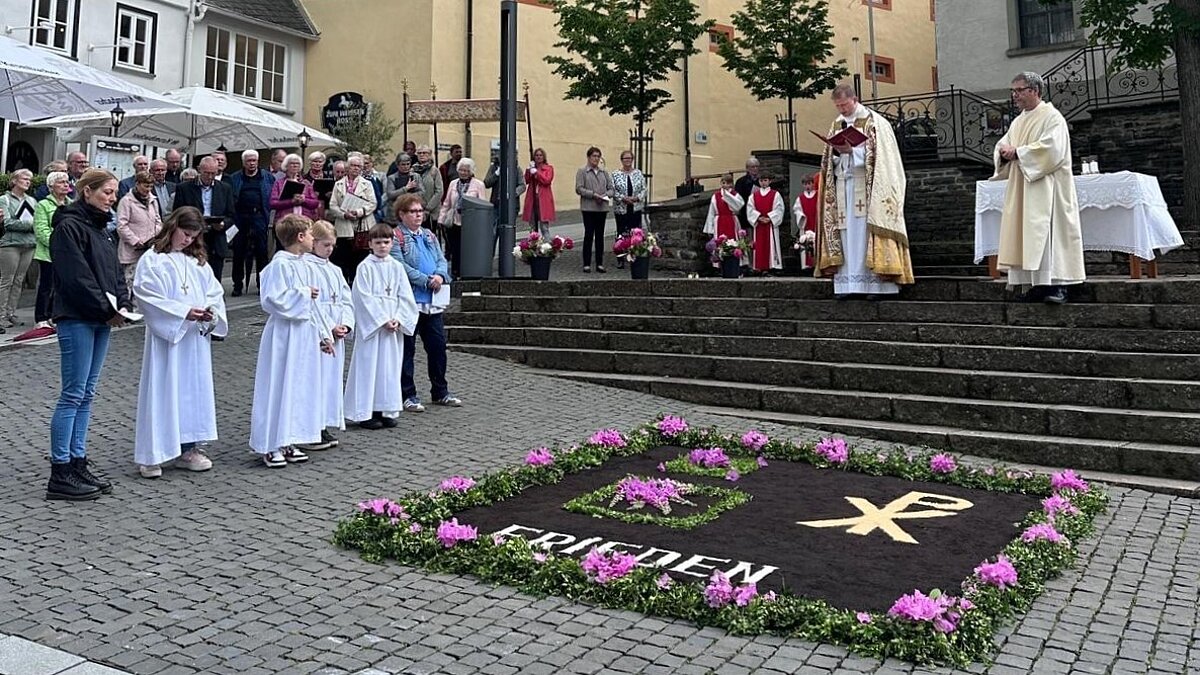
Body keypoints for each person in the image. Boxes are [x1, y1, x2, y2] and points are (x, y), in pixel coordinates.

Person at [46, 169, 129, 500]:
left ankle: (78, 460)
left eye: (113, 193)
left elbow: (114, 272)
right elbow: (75, 277)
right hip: (78, 317)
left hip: (100, 318)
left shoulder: (102, 229)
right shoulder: (69, 227)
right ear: (87, 192)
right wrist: (106, 309)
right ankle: (60, 469)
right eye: (107, 192)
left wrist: (122, 303)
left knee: (88, 393)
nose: (112, 198)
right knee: (72, 393)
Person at [131, 207, 227, 478]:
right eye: (185, 234)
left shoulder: (198, 262)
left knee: (192, 392)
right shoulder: (153, 259)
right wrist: (182, 312)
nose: (187, 240)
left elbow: (215, 292)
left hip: (194, 341)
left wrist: (210, 311)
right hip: (168, 339)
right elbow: (146, 294)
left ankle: (189, 448)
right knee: (163, 391)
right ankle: (153, 454)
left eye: (193, 236)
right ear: (172, 227)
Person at [993, 71, 1085, 304]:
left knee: (1051, 234)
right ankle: (1035, 284)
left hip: (1048, 189)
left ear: (1034, 91)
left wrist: (1019, 152)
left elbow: (1053, 150)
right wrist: (1003, 151)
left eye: (1019, 90)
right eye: (1013, 91)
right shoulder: (1018, 120)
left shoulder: (1052, 117)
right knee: (1029, 236)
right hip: (1024, 188)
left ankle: (1058, 285)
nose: (1015, 96)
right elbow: (1004, 143)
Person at [816, 83, 914, 299]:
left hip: (867, 188)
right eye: (838, 106)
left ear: (855, 99)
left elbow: (884, 159)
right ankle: (849, 285)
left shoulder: (875, 122)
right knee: (845, 233)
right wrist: (836, 155)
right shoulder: (837, 124)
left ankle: (878, 286)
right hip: (844, 185)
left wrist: (854, 152)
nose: (842, 110)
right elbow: (828, 158)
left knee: (863, 233)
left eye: (844, 105)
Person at [249, 214, 323, 468]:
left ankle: (290, 437)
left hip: (302, 332)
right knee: (278, 385)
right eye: (311, 234)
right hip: (284, 333)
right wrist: (304, 294)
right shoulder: (279, 265)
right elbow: (271, 299)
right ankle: (270, 443)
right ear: (300, 237)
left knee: (297, 385)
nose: (314, 239)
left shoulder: (304, 263)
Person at [390, 194, 462, 412]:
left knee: (438, 347)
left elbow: (441, 258)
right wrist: (426, 280)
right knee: (407, 350)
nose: (418, 215)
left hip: (433, 302)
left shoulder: (429, 235)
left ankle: (440, 390)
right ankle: (407, 394)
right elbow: (400, 266)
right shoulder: (396, 237)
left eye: (420, 211)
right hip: (411, 301)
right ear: (402, 214)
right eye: (413, 211)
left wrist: (440, 276)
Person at [345, 222, 418, 429]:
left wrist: (398, 319)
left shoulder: (396, 267)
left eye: (386, 242)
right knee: (369, 369)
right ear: (370, 244)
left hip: (392, 329)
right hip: (374, 328)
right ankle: (366, 413)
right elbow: (362, 298)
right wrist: (382, 320)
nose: (382, 246)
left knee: (388, 370)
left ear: (392, 242)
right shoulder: (365, 267)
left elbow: (405, 296)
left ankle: (385, 409)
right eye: (378, 242)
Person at [296, 220, 353, 450]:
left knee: (330, 381)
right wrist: (329, 327)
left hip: (336, 333)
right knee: (314, 380)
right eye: (325, 244)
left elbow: (346, 300)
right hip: (318, 333)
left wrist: (345, 325)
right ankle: (310, 426)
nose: (329, 249)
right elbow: (313, 306)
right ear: (314, 242)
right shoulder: (306, 268)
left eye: (332, 245)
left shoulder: (335, 270)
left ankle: (323, 424)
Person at [172, 158, 236, 287]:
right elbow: (178, 213)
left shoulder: (225, 188)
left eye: (214, 173)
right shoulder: (184, 188)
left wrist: (223, 225)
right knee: (192, 277)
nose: (210, 176)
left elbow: (231, 214)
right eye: (207, 173)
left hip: (217, 237)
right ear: (199, 170)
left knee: (215, 279)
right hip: (193, 239)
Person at [228, 150, 277, 297]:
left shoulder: (267, 177)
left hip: (259, 216)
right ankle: (237, 284)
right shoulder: (235, 178)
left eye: (254, 160)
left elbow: (272, 196)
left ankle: (261, 284)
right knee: (239, 252)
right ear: (244, 162)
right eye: (249, 161)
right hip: (240, 216)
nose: (252, 163)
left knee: (262, 252)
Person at [115, 171, 163, 308]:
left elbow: (158, 220)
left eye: (150, 186)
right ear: (137, 184)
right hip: (132, 249)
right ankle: (125, 308)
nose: (148, 190)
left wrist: (156, 235)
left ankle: (138, 307)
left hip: (149, 247)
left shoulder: (153, 200)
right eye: (145, 186)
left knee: (143, 280)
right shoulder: (126, 201)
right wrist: (136, 241)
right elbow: (121, 225)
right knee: (128, 280)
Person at [328, 154, 378, 285]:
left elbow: (373, 203)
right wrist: (343, 214)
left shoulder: (367, 184)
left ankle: (358, 286)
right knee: (343, 259)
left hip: (362, 226)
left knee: (360, 260)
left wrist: (359, 212)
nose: (356, 168)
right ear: (348, 167)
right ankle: (344, 286)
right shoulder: (338, 184)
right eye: (353, 166)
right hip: (343, 226)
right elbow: (332, 205)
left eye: (359, 166)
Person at [33, 171, 72, 331]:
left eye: (66, 182)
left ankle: (53, 315)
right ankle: (41, 317)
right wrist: (58, 243)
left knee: (60, 286)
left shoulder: (71, 204)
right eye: (61, 182)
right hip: (48, 253)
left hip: (67, 253)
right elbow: (41, 229)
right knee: (46, 286)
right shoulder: (43, 205)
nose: (65, 185)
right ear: (51, 186)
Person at [0, 169, 39, 328]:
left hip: (28, 244)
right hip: (10, 244)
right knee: (6, 280)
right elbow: (7, 223)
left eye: (29, 179)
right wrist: (29, 225)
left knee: (19, 280)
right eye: (24, 178)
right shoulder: (5, 199)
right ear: (14, 180)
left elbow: (37, 220)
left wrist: (31, 226)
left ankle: (11, 312)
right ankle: (1, 314)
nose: (28, 181)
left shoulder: (31, 200)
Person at [438, 157, 486, 279]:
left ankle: (468, 273)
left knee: (468, 249)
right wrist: (441, 219)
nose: (463, 173)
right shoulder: (453, 183)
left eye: (466, 171)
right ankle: (455, 272)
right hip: (454, 221)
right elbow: (447, 202)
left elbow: (482, 204)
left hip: (470, 223)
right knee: (455, 249)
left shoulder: (478, 184)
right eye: (461, 170)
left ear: (471, 172)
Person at [268, 153, 321, 257]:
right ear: (286, 166)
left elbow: (315, 203)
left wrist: (304, 200)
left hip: (304, 222)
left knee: (305, 251)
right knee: (285, 250)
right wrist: (291, 201)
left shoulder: (306, 183)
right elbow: (273, 203)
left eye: (297, 164)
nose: (295, 166)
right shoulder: (279, 183)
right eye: (292, 164)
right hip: (286, 223)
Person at [483, 148, 526, 262]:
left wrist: (512, 193)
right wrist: (496, 174)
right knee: (492, 234)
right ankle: (488, 259)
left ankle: (507, 260)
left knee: (508, 234)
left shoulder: (516, 169)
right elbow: (486, 183)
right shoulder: (494, 167)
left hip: (511, 206)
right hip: (496, 205)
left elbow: (522, 185)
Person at [575, 146, 613, 273]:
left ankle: (599, 263)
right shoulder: (582, 171)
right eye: (594, 156)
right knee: (589, 235)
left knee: (600, 236)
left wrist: (604, 196)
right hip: (588, 208)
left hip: (602, 208)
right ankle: (586, 263)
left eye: (598, 156)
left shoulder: (604, 172)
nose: (596, 159)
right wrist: (593, 194)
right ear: (589, 157)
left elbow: (611, 188)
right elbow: (579, 188)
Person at [609, 150, 648, 269]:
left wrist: (637, 198)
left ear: (632, 160)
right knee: (621, 233)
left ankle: (634, 255)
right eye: (625, 158)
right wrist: (623, 198)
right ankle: (620, 258)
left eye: (630, 158)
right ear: (621, 160)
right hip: (621, 209)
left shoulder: (638, 173)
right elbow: (612, 190)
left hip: (635, 208)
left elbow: (644, 189)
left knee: (635, 233)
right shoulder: (615, 174)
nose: (628, 161)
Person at [745, 171, 784, 274]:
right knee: (759, 246)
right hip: (759, 225)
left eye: (765, 180)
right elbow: (750, 209)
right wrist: (758, 217)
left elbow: (779, 209)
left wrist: (770, 218)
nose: (763, 183)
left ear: (770, 181)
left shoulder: (775, 194)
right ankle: (759, 267)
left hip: (770, 225)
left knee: (770, 245)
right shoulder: (754, 195)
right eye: (761, 180)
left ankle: (771, 266)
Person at [412, 145, 444, 239]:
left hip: (431, 212)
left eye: (424, 153)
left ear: (430, 155)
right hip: (415, 210)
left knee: (429, 238)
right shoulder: (412, 170)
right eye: (419, 153)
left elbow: (439, 191)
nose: (422, 155)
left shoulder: (434, 171)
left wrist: (428, 208)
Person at [523, 147, 555, 236]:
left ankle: (546, 247)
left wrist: (537, 173)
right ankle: (533, 246)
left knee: (544, 227)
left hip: (543, 200)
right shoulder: (532, 168)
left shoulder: (549, 168)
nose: (538, 157)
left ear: (544, 157)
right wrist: (528, 170)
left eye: (540, 155)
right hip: (532, 199)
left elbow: (547, 180)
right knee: (532, 227)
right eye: (536, 155)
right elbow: (526, 180)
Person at [703, 173, 744, 241]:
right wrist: (710, 228)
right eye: (723, 182)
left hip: (731, 220)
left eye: (728, 183)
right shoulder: (716, 196)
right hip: (719, 221)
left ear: (731, 184)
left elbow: (738, 206)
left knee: (733, 240)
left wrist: (727, 196)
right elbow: (711, 212)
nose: (725, 185)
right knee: (719, 241)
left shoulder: (735, 195)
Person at [792, 174, 820, 271]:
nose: (807, 186)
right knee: (805, 243)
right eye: (805, 184)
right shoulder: (800, 198)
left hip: (816, 224)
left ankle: (817, 264)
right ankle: (806, 266)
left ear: (813, 184)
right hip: (806, 224)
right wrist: (801, 216)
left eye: (809, 183)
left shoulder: (818, 195)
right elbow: (797, 209)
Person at [384, 153, 421, 225]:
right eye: (403, 164)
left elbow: (422, 193)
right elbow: (390, 194)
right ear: (398, 165)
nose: (406, 167)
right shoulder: (392, 178)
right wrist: (406, 188)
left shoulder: (416, 176)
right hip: (394, 214)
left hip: (411, 211)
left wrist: (408, 197)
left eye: (408, 164)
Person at [734, 157, 760, 235]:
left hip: (759, 214)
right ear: (747, 168)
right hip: (745, 215)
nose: (755, 169)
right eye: (753, 167)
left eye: (757, 166)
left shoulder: (762, 181)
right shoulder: (741, 182)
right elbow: (738, 199)